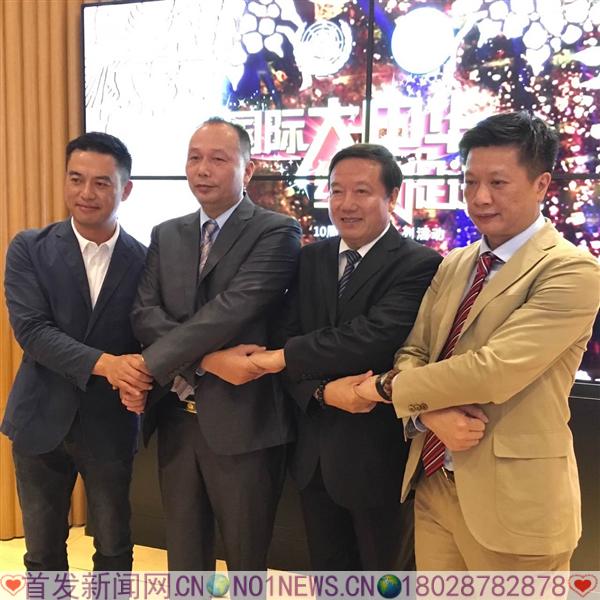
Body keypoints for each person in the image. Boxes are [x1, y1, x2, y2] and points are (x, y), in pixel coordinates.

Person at [355, 111, 600, 570]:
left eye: (498, 183)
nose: (480, 197)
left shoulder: (572, 270)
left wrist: (384, 388)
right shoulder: (456, 262)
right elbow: (414, 351)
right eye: (470, 182)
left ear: (541, 184)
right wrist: (429, 412)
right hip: (435, 486)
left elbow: (492, 371)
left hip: (516, 507)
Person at [214, 143, 442, 569]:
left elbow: (372, 338)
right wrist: (321, 392)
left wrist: (281, 358)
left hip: (378, 459)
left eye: (362, 191)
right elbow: (284, 333)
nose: (346, 204)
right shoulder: (311, 257)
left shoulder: (420, 264)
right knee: (329, 577)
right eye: (337, 191)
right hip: (313, 456)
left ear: (392, 196)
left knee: (385, 582)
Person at [130, 117, 301, 571]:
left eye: (218, 159)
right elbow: (144, 313)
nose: (202, 169)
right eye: (194, 158)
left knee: (246, 562)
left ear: (248, 170)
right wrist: (206, 361)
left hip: (245, 424)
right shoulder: (167, 233)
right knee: (185, 562)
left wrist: (152, 363)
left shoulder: (276, 231)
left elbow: (232, 309)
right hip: (176, 420)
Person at [2, 132, 150, 571]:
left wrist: (142, 379)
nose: (86, 193)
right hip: (39, 419)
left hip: (110, 423)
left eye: (101, 183)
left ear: (125, 189)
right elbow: (32, 331)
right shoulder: (29, 248)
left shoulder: (146, 260)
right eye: (76, 178)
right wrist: (108, 365)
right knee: (42, 552)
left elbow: (151, 336)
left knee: (115, 548)